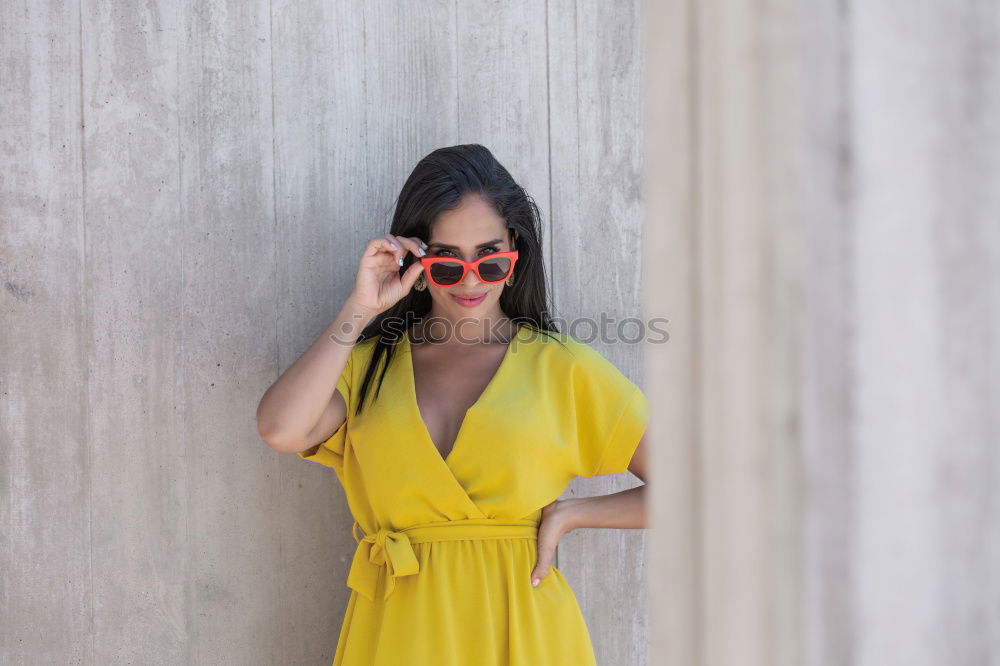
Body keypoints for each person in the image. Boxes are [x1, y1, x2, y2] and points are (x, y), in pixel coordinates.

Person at [256, 144, 650, 665]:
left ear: (515, 254)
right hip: (398, 633)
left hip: (524, 634)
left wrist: (572, 514)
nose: (469, 280)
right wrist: (361, 307)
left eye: (490, 259)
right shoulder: (368, 366)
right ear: (416, 260)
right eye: (446, 263)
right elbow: (281, 430)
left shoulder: (564, 368)